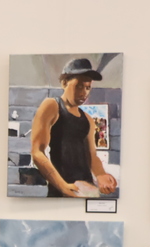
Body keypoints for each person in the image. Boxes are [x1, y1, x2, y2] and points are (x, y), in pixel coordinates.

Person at [30, 58, 117, 198]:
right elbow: (37, 152)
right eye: (79, 86)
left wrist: (101, 175)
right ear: (64, 83)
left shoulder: (88, 119)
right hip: (61, 189)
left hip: (86, 189)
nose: (84, 92)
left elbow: (92, 155)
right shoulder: (52, 106)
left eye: (88, 87)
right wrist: (62, 186)